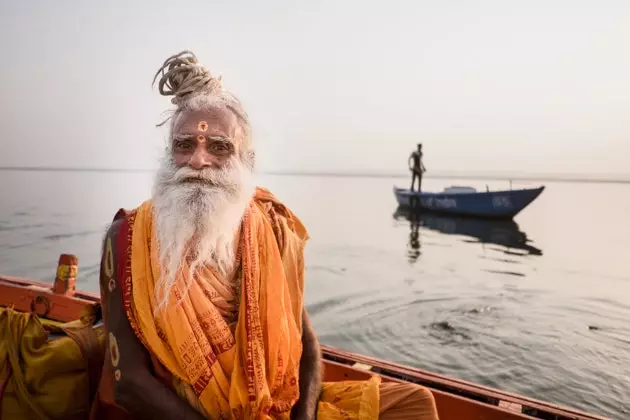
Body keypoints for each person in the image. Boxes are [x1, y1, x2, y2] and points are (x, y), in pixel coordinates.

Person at [90, 50, 439, 420]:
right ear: (169, 153)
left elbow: (305, 344)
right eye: (185, 144)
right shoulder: (127, 239)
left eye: (220, 147)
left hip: (275, 406)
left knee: (417, 405)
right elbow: (128, 381)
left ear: (247, 162)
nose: (198, 160)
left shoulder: (272, 228)